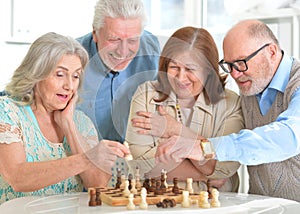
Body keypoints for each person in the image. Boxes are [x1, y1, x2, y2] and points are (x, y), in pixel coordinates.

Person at [133, 20, 300, 202]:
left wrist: (199, 145)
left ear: (272, 52)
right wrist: (207, 172)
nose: (234, 74)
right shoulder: (250, 87)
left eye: (241, 63)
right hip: (263, 205)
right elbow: (143, 164)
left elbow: (289, 136)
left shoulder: (293, 84)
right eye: (229, 65)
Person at [0, 32, 130, 204]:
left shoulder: (81, 122)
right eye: (60, 74)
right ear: (36, 73)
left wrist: (68, 125)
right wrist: (86, 158)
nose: (69, 86)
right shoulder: (8, 111)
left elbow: (97, 184)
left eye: (75, 76)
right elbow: (17, 178)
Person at [125, 26, 244, 192]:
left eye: (190, 69)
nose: (181, 78)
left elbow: (226, 166)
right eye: (174, 67)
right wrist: (209, 174)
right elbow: (143, 165)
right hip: (159, 203)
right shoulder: (145, 95)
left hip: (217, 205)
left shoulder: (231, 103)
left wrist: (176, 130)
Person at [76, 0, 160, 143]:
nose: (123, 51)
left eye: (133, 40)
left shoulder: (151, 48)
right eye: (114, 39)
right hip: (85, 154)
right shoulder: (71, 58)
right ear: (95, 33)